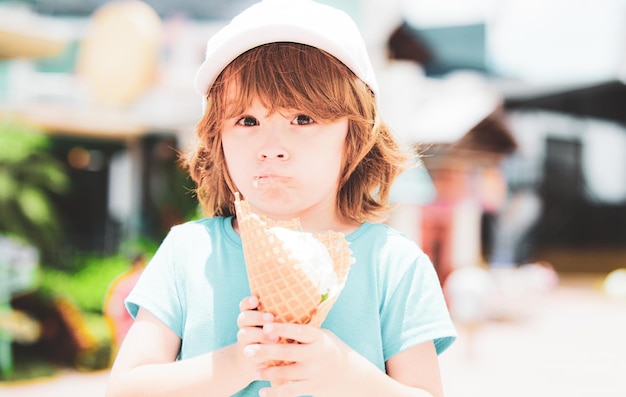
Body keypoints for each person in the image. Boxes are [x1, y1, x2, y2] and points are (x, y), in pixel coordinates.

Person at [106, 1, 456, 396]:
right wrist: (239, 362)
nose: (272, 147)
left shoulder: (394, 264)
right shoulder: (189, 253)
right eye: (247, 121)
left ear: (355, 135)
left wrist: (346, 374)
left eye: (302, 119)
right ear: (217, 140)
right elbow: (126, 388)